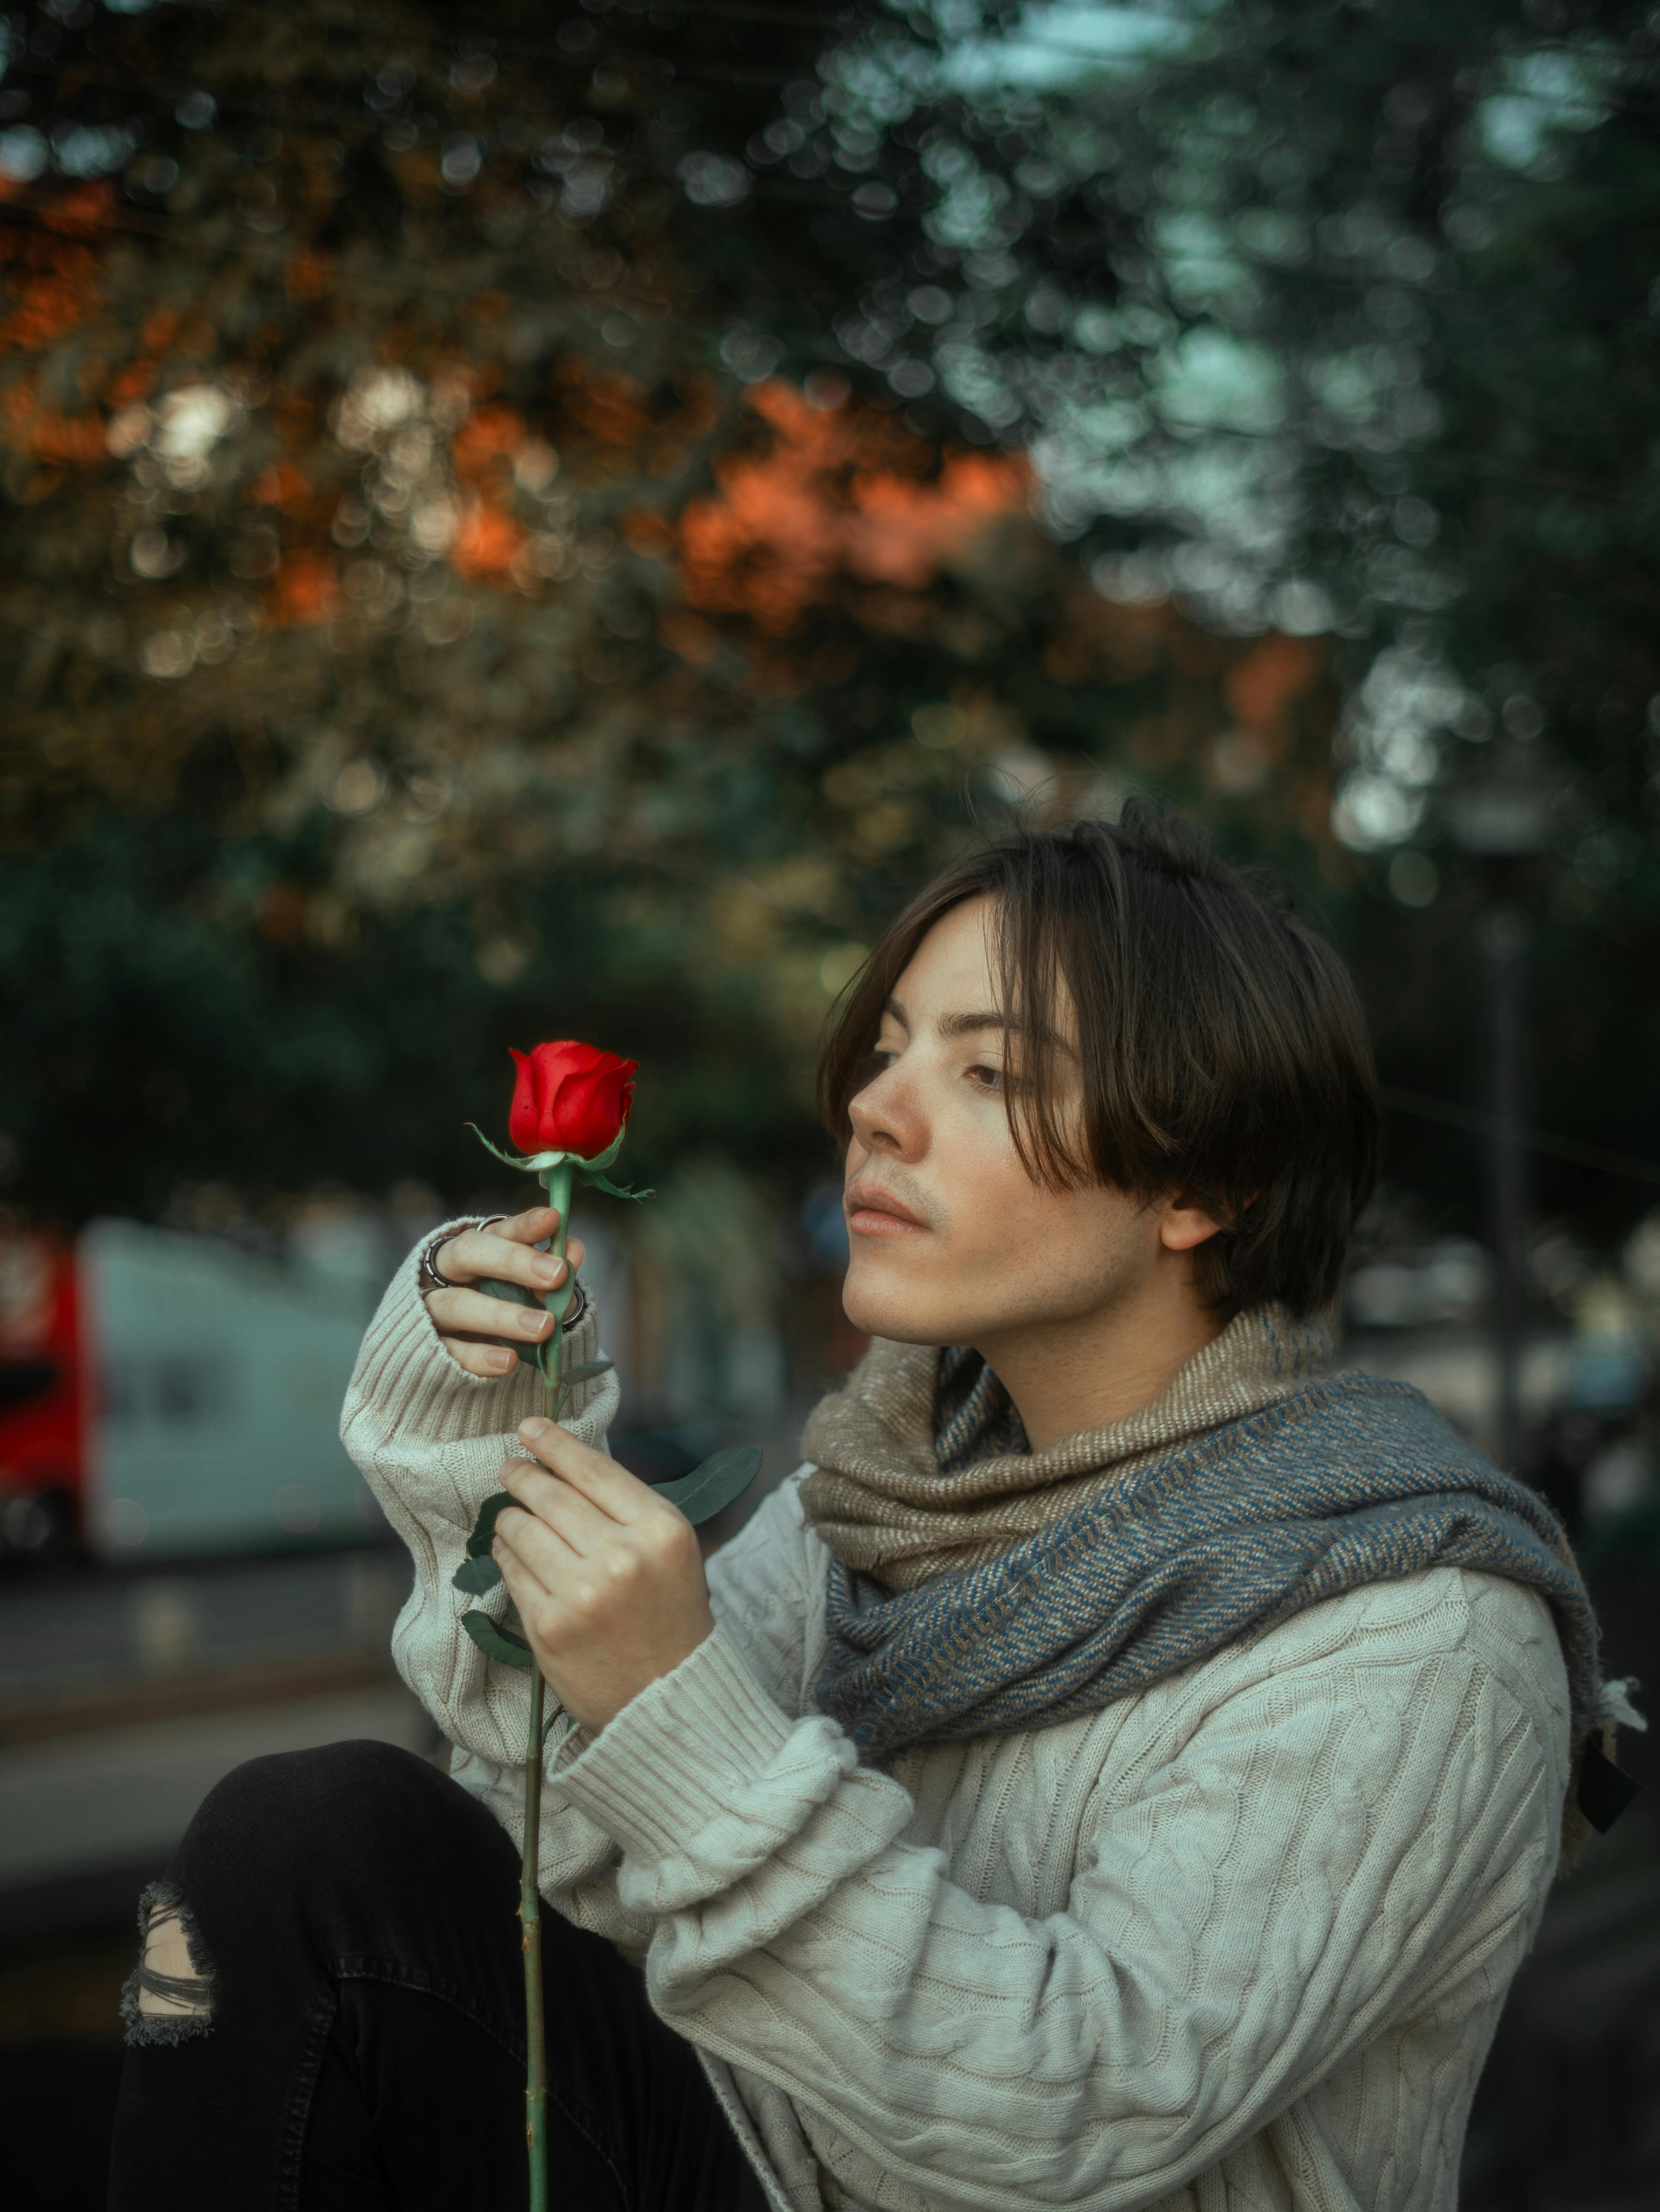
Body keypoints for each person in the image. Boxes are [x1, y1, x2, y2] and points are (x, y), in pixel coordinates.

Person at [112, 806, 1619, 2212]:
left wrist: (675, 1713)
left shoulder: (1412, 1627)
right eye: (888, 1047)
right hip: (777, 2165)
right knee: (306, 1846)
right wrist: (480, 1443)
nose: (872, 1108)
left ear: (1201, 1182)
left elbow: (1077, 2105)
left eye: (987, 1070)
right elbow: (559, 1857)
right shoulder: (882, 1504)